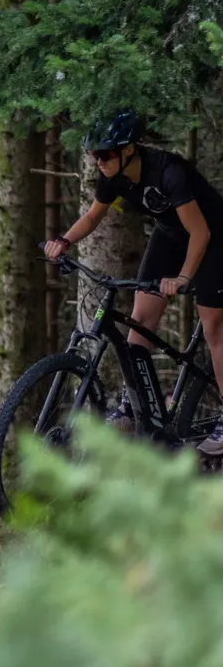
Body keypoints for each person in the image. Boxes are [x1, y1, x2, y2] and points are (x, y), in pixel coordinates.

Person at [44, 110, 223, 455]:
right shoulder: (112, 175)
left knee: (213, 324)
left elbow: (200, 232)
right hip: (171, 235)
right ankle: (133, 403)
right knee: (140, 318)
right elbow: (94, 215)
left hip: (215, 238)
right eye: (95, 155)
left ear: (130, 150)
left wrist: (184, 277)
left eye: (106, 154)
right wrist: (63, 242)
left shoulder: (168, 172)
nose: (99, 161)